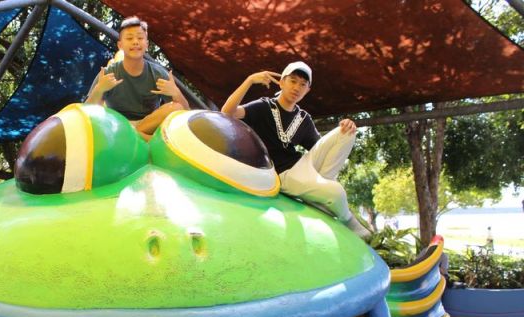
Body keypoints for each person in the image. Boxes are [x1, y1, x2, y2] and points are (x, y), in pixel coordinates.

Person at [221, 61, 371, 239]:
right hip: (284, 174)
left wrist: (346, 126)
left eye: (302, 84)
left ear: (307, 90)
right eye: (292, 81)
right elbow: (227, 112)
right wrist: (250, 80)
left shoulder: (303, 118)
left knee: (346, 131)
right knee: (336, 192)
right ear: (281, 82)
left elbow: (322, 149)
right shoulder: (264, 106)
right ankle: (347, 219)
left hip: (303, 164)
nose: (296, 88)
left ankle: (320, 195)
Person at [86, 16, 189, 140]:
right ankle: (145, 139)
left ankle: (132, 134)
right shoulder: (109, 73)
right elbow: (87, 110)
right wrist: (99, 89)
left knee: (177, 107)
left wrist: (176, 93)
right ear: (120, 45)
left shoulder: (158, 73)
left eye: (140, 38)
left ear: (147, 45)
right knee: (95, 116)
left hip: (145, 125)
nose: (135, 42)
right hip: (115, 124)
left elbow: (185, 111)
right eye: (129, 38)